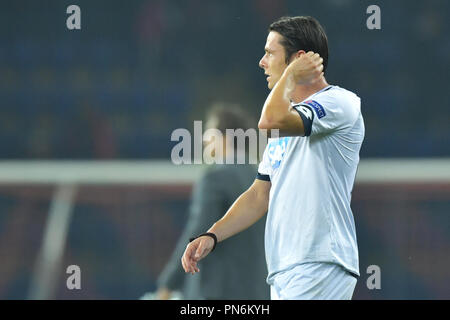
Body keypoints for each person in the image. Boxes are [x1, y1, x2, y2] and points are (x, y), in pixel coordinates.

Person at [181, 16, 365, 300]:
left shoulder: (340, 103)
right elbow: (259, 194)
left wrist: (291, 76)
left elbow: (268, 119)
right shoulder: (286, 126)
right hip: (284, 269)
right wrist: (212, 235)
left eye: (270, 53)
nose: (262, 62)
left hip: (320, 261)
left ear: (299, 59)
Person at [155, 103, 269, 300]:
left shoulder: (215, 177)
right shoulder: (262, 181)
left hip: (217, 291)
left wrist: (168, 283)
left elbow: (197, 232)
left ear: (223, 138)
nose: (204, 139)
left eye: (209, 132)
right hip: (258, 292)